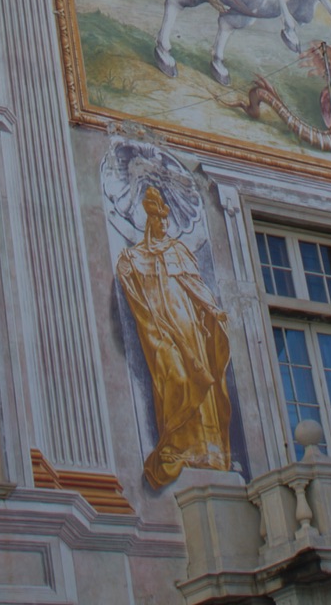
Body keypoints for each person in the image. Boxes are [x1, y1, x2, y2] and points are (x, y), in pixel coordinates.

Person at [116, 185, 234, 486]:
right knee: (176, 379)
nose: (164, 225)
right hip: (161, 327)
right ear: (150, 221)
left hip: (188, 326)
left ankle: (207, 451)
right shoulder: (134, 257)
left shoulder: (178, 250)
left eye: (166, 219)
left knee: (200, 383)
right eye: (159, 219)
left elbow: (195, 285)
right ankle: (177, 444)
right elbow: (133, 290)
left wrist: (213, 309)